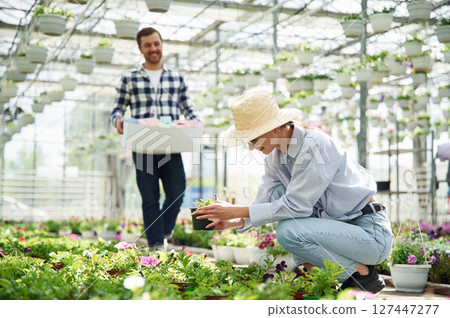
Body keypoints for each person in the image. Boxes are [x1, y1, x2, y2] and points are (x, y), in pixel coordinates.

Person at [192, 88, 393, 293]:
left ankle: (362, 274)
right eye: (248, 142)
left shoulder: (313, 146)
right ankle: (312, 269)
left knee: (288, 231)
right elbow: (267, 197)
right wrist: (234, 221)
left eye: (253, 139)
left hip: (370, 234)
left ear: (275, 128)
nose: (252, 148)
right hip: (342, 232)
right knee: (278, 193)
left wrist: (235, 210)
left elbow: (295, 207)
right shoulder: (275, 158)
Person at [110, 27, 200, 250]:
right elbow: (117, 110)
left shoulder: (176, 78)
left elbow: (188, 110)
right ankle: (156, 245)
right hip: (143, 147)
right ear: (140, 48)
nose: (153, 49)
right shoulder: (129, 79)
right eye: (148, 45)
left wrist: (197, 123)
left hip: (171, 144)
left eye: (156, 44)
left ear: (162, 45)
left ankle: (163, 229)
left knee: (177, 193)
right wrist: (118, 121)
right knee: (149, 199)